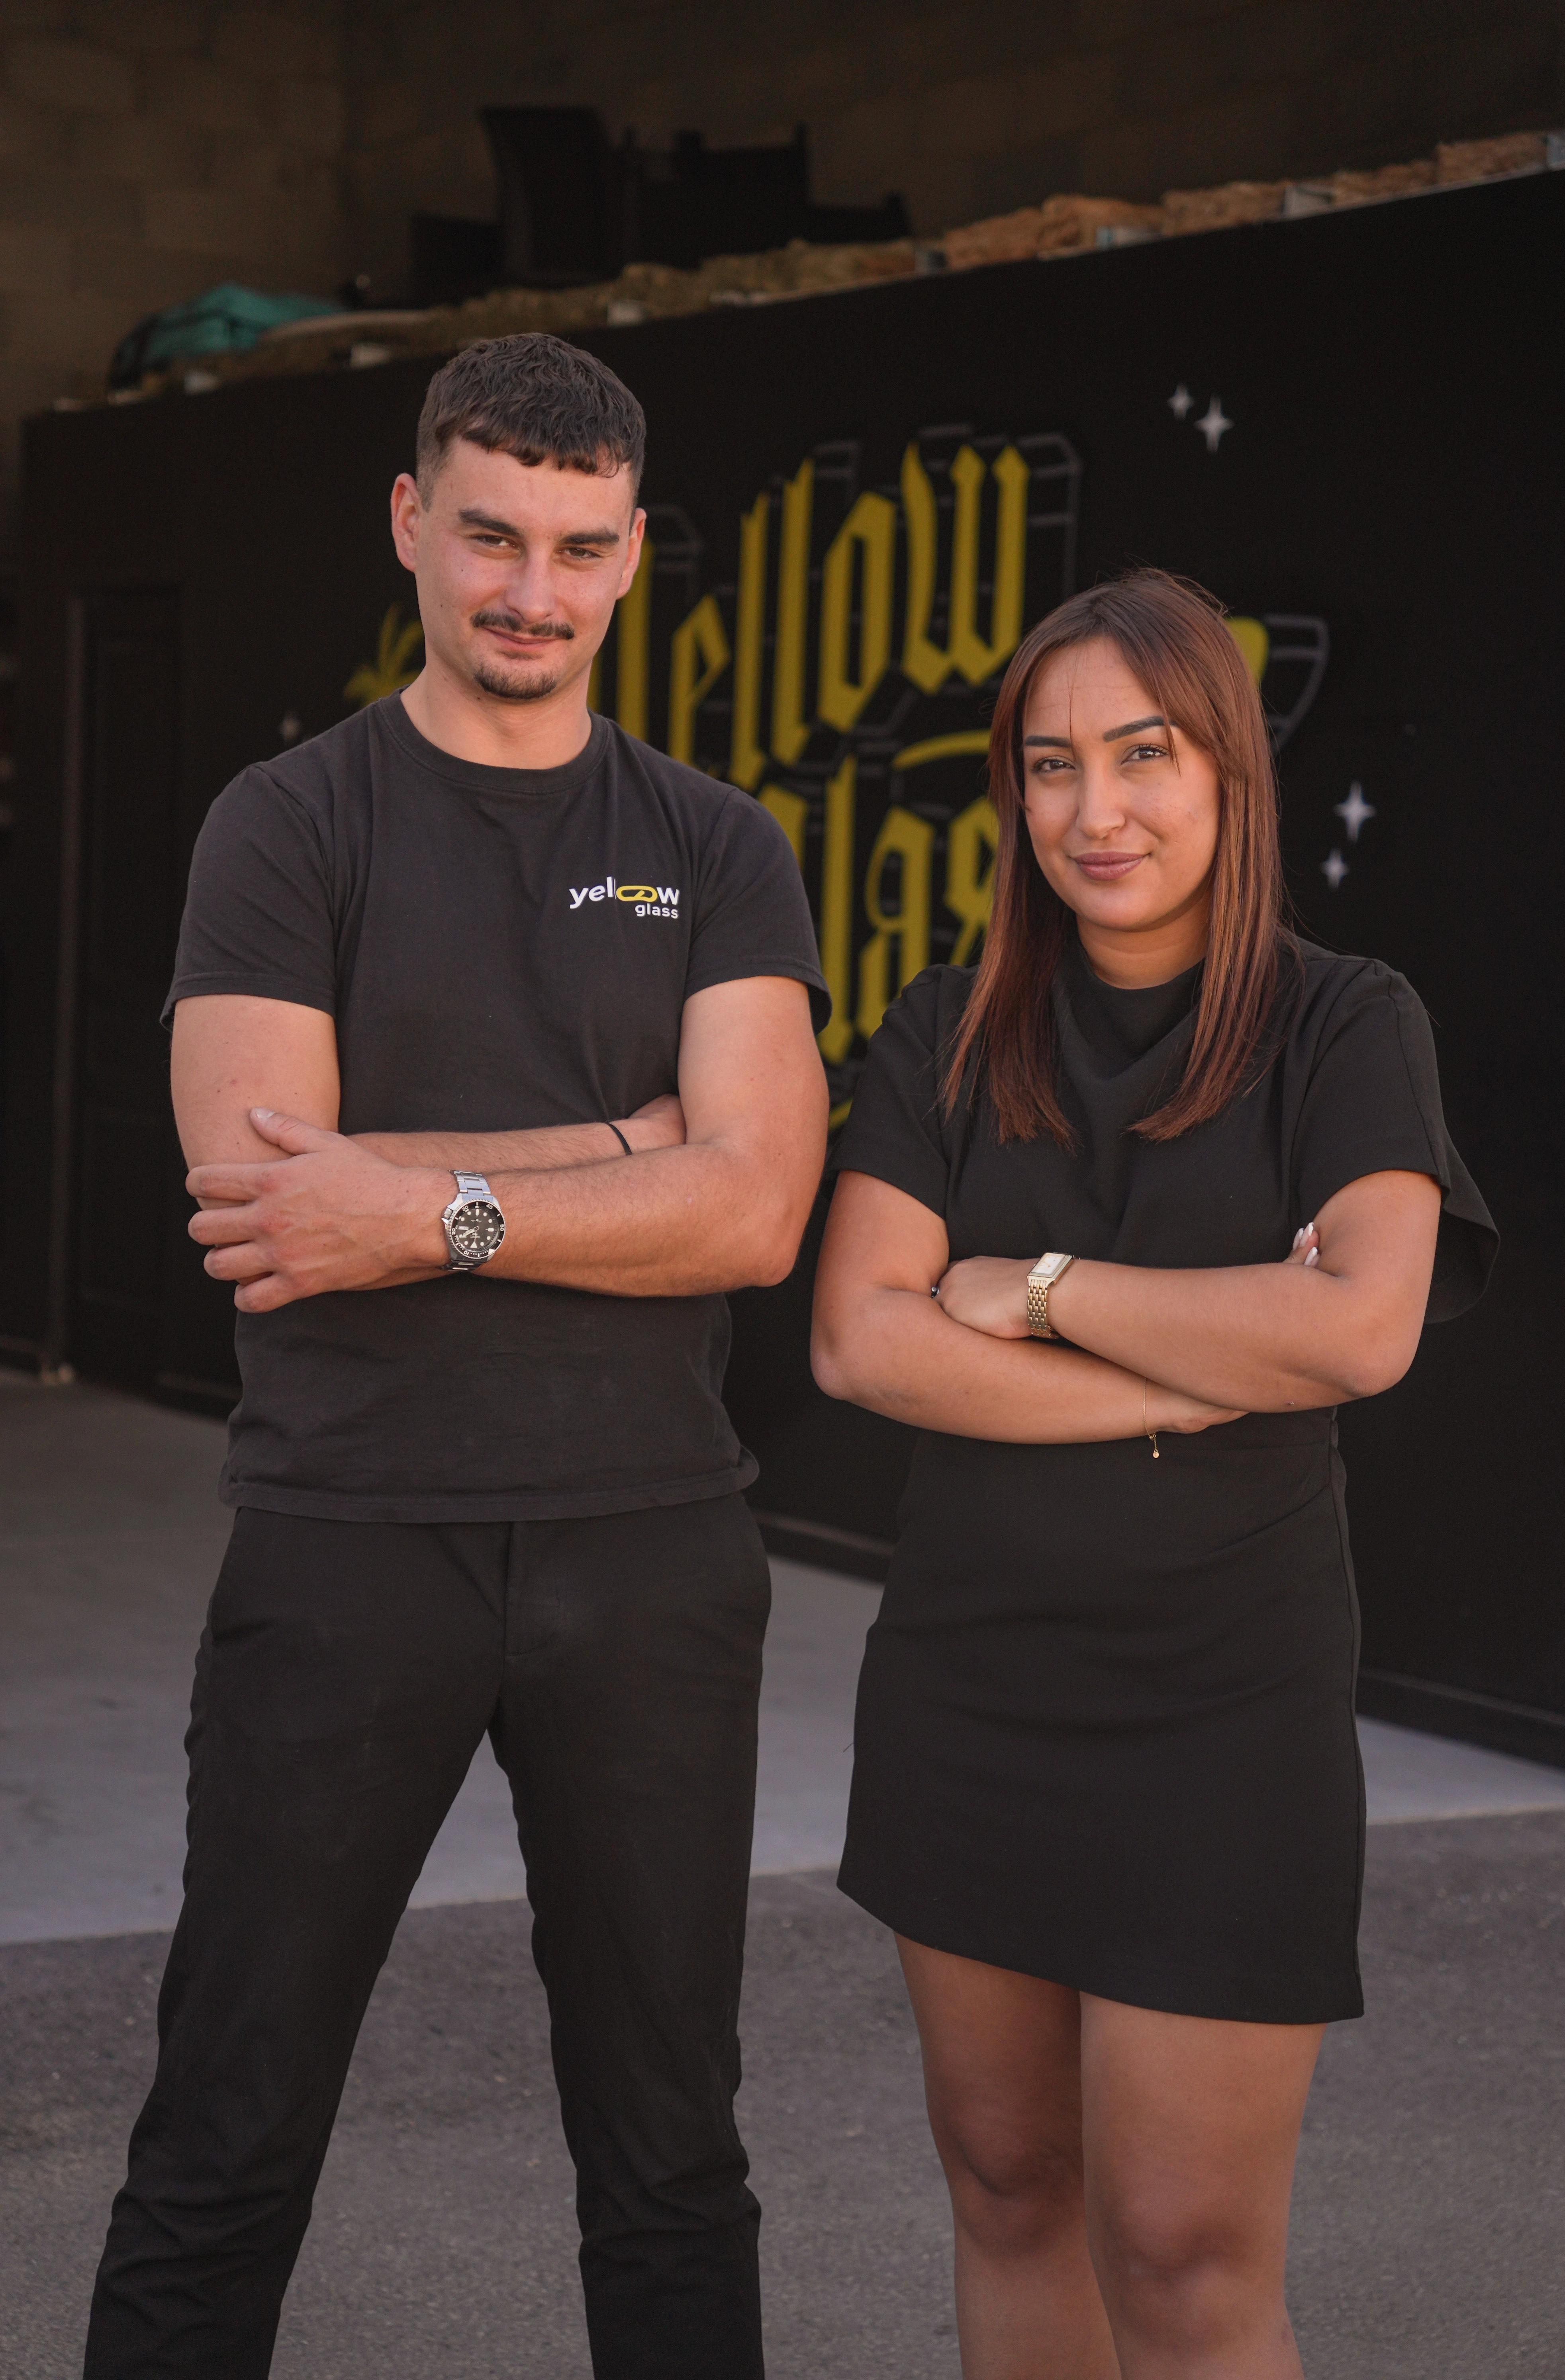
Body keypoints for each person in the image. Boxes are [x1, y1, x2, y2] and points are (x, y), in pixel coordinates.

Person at [85, 332, 830, 2380]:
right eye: (491, 535)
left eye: (580, 548)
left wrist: (421, 1202)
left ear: (633, 557)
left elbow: (761, 1211)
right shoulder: (288, 824)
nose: (532, 590)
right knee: (225, 2139)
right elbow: (263, 1213)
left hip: (654, 1553)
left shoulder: (719, 842)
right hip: (350, 1546)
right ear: (410, 524)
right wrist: (628, 1150)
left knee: (674, 2158)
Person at [811, 569, 1495, 2380]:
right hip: (973, 1690)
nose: (1094, 812)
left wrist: (1036, 1291)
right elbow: (862, 1340)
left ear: (1231, 773)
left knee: (1186, 2257)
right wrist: (1183, 1382)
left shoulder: (1349, 1025)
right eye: (1050, 767)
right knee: (1014, 2192)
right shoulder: (946, 1028)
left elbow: (1358, 1333)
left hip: (1223, 1713)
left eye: (1144, 755)